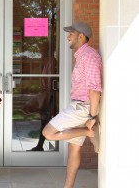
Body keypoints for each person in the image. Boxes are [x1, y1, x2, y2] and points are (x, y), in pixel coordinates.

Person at [42, 22, 102, 188]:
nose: (68, 37)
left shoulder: (88, 56)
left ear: (81, 36)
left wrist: (92, 116)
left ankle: (88, 132)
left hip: (82, 108)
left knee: (48, 132)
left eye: (71, 33)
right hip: (81, 106)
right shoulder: (82, 55)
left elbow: (95, 88)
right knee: (74, 149)